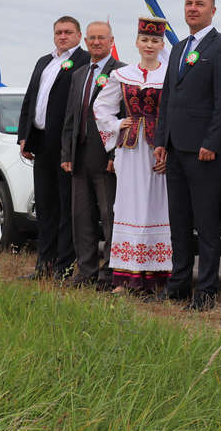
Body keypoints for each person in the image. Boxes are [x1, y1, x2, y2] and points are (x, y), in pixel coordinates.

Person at [154, 0, 221, 311]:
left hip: (203, 152)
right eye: (188, 3)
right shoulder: (177, 49)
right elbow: (168, 99)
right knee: (178, 221)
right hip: (175, 149)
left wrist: (211, 141)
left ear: (212, 10)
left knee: (204, 224)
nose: (193, 8)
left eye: (199, 4)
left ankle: (205, 292)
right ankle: (178, 284)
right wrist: (161, 141)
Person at [93, 17, 173, 294]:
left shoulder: (169, 76)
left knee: (157, 205)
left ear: (162, 44)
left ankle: (157, 277)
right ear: (137, 43)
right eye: (145, 40)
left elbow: (175, 113)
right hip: (130, 149)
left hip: (158, 149)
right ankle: (126, 277)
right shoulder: (122, 75)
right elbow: (100, 107)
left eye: (154, 41)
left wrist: (169, 148)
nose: (149, 45)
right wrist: (117, 125)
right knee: (128, 205)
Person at [18, 16, 88, 280]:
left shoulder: (83, 61)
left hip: (66, 145)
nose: (62, 36)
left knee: (64, 207)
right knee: (45, 206)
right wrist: (24, 136)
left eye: (68, 32)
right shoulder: (44, 62)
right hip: (41, 140)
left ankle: (63, 267)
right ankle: (43, 264)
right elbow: (30, 100)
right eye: (58, 32)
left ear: (79, 36)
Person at [60, 21, 124, 288]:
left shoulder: (122, 72)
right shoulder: (79, 73)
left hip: (105, 156)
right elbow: (71, 117)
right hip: (79, 156)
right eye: (92, 38)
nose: (96, 42)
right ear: (85, 42)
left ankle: (108, 274)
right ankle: (85, 271)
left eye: (102, 38)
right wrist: (66, 152)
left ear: (111, 41)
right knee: (81, 217)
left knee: (109, 217)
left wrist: (115, 155)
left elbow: (124, 116)